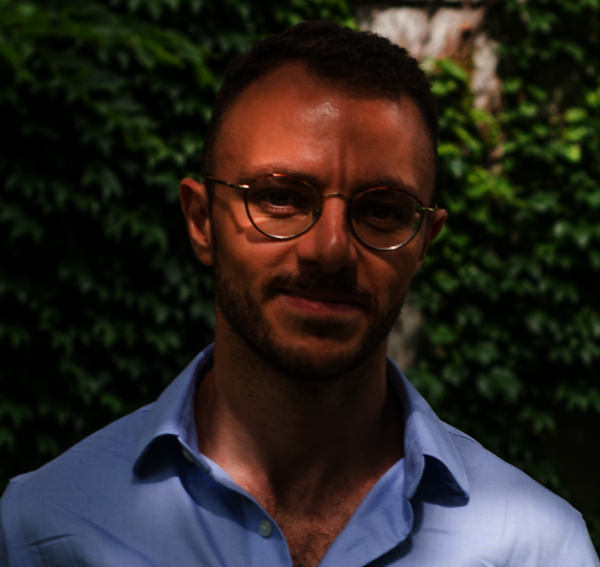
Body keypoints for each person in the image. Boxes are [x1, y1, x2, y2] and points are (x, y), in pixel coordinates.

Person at [0, 21, 598, 567]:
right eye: (281, 198)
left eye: (382, 210)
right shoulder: (43, 531)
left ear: (424, 242)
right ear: (202, 221)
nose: (330, 249)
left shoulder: (535, 549)